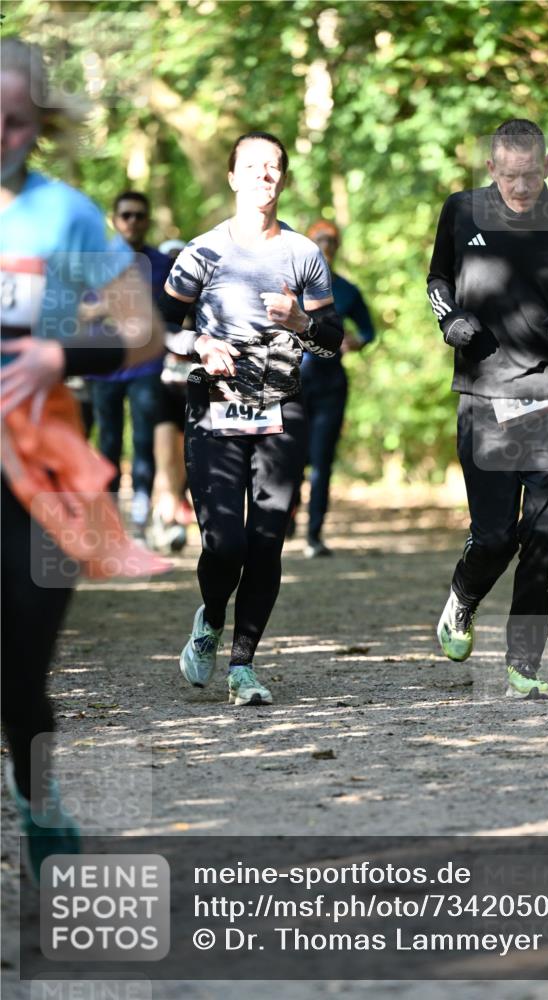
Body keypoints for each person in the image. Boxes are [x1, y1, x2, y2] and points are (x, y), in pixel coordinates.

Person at [0, 37, 165, 880]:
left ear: (40, 126)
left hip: (42, 472)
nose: (0, 135)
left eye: (16, 121)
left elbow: (142, 329)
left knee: (19, 671)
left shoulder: (64, 214)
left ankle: (37, 798)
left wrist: (58, 356)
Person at [427, 118, 548, 702]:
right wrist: (450, 319)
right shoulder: (461, 212)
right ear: (491, 170)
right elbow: (438, 278)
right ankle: (462, 600)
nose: (520, 187)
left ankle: (524, 667)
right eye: (509, 176)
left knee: (543, 535)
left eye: (531, 175)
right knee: (494, 536)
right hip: (485, 395)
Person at [161, 130, 343, 706]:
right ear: (233, 177)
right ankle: (211, 617)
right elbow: (156, 329)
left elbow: (333, 343)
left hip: (281, 407)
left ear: (283, 179)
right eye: (253, 166)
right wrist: (198, 346)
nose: (265, 175)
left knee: (267, 542)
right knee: (225, 542)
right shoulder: (202, 253)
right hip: (214, 407)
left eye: (275, 167)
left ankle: (243, 666)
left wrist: (301, 324)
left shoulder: (303, 255)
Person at [88, 191, 172, 538]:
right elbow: (79, 311)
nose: (132, 221)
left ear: (148, 219)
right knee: (107, 443)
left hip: (146, 367)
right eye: (126, 215)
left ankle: (139, 518)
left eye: (139, 215)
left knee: (142, 442)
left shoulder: (162, 264)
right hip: (103, 366)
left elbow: (173, 313)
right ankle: (108, 521)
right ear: (114, 219)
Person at [291, 220, 375, 558]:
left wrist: (356, 342)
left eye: (331, 240)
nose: (325, 245)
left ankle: (314, 535)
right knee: (291, 457)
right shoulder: (292, 286)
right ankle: (287, 514)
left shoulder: (347, 291)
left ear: (337, 246)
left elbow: (368, 331)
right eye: (318, 239)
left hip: (330, 385)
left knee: (322, 461)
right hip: (292, 382)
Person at [150, 238, 193, 553]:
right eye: (170, 259)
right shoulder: (154, 301)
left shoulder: (203, 298)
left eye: (181, 259)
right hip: (162, 386)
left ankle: (173, 516)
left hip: (196, 387)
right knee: (166, 458)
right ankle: (166, 521)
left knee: (188, 461)